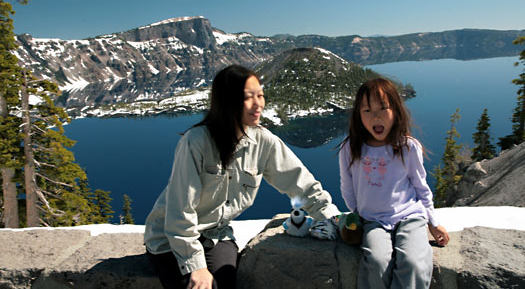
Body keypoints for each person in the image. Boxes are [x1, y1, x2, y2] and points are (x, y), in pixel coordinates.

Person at [144, 64, 340, 289]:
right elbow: (180, 212)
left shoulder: (264, 142)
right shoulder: (195, 142)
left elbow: (301, 184)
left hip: (216, 235)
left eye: (261, 95)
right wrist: (195, 266)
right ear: (228, 101)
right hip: (171, 241)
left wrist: (331, 218)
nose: (259, 104)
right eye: (249, 97)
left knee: (226, 282)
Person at [338, 77, 450, 289]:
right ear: (358, 115)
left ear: (396, 111)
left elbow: (420, 187)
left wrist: (433, 224)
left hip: (410, 217)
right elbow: (347, 187)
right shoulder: (350, 148)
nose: (376, 117)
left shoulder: (407, 147)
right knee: (377, 262)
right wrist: (358, 213)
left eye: (383, 108)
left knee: (414, 262)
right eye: (367, 110)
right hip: (373, 221)